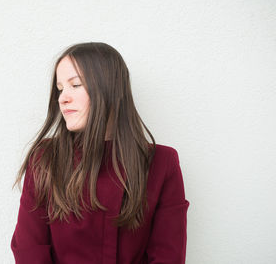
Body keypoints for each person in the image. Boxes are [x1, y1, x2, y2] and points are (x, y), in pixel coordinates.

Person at [11, 42, 189, 264]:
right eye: (60, 88)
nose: (62, 98)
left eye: (75, 85)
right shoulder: (46, 158)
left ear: (110, 89)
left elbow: (168, 256)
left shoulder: (161, 163)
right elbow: (29, 250)